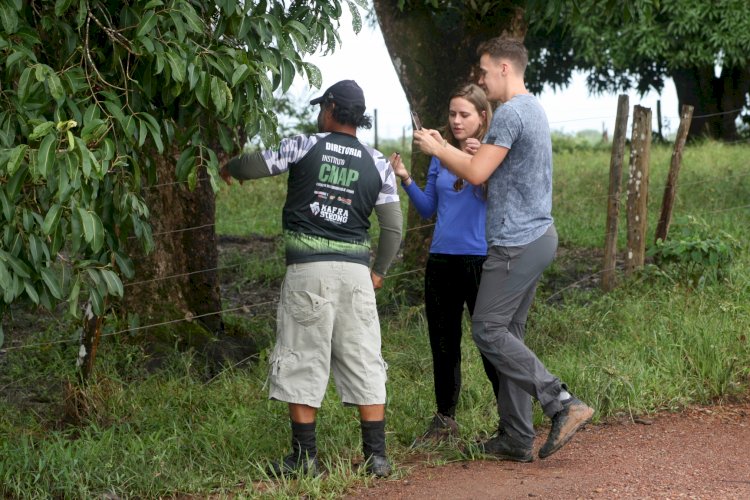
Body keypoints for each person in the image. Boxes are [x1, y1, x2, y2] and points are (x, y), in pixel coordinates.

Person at [413, 37, 594, 462]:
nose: (481, 77)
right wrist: (472, 155)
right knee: (508, 335)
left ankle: (562, 402)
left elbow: (475, 175)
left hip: (516, 242)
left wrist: (440, 148)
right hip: (535, 237)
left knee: (487, 330)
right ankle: (516, 437)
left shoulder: (511, 112)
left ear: (504, 69)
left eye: (484, 69)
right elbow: (493, 178)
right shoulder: (533, 109)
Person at [220, 80, 403, 477]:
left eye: (324, 106)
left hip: (308, 272)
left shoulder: (304, 145)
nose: (320, 112)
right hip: (356, 273)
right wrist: (378, 272)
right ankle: (377, 458)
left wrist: (228, 166)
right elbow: (393, 229)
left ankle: (305, 460)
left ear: (332, 108)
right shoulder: (379, 162)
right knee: (364, 358)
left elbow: (254, 166)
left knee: (302, 357)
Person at [390, 84, 500, 442]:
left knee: (490, 342)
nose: (456, 121)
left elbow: (489, 192)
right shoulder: (440, 157)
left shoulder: (491, 153)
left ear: (482, 117)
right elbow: (427, 209)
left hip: (479, 260)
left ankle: (510, 417)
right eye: (452, 114)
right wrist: (406, 178)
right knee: (442, 342)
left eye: (464, 114)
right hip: (440, 261)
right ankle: (445, 420)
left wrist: (477, 155)